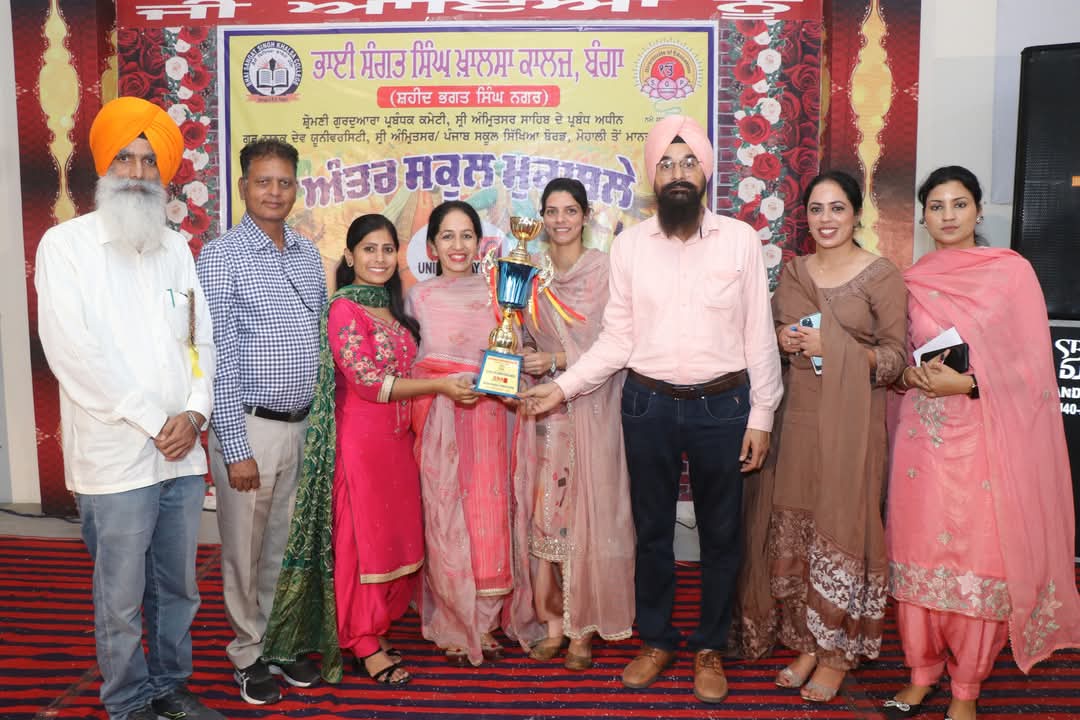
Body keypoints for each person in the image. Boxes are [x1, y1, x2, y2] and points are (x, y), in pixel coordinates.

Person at [521, 116, 783, 704]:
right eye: (666, 164)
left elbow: (759, 336)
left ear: (705, 172)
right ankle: (657, 640)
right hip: (648, 404)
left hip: (724, 405)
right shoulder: (631, 246)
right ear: (652, 176)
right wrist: (563, 388)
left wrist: (762, 416)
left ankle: (710, 645)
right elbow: (617, 341)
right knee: (652, 531)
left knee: (721, 533)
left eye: (688, 163)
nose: (677, 173)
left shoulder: (740, 239)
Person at [35, 96, 223, 720]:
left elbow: (199, 340)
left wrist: (194, 414)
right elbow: (74, 352)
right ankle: (127, 701)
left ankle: (170, 687)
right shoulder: (66, 246)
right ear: (103, 165)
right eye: (125, 158)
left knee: (178, 588)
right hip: (116, 454)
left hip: (181, 454)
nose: (138, 172)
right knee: (120, 597)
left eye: (148, 161)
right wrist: (153, 420)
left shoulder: (176, 249)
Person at [884, 166, 1080, 720]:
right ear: (923, 217)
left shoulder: (1010, 274)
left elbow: (1031, 367)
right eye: (936, 206)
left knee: (978, 556)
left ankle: (966, 688)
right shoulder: (910, 279)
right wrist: (909, 375)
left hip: (988, 438)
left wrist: (970, 384)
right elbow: (896, 356)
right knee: (918, 553)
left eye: (959, 204)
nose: (948, 215)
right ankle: (921, 673)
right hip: (922, 439)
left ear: (977, 210)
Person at [260, 214, 479, 685]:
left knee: (393, 540)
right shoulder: (344, 309)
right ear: (349, 256)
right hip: (360, 444)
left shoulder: (391, 309)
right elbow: (368, 383)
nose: (379, 259)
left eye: (387, 249)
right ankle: (360, 640)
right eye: (369, 249)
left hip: (398, 444)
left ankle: (374, 628)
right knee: (363, 545)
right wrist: (440, 386)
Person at [731, 171, 907, 702]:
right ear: (804, 217)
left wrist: (834, 345)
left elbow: (896, 361)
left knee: (842, 525)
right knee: (797, 525)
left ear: (857, 214)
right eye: (816, 209)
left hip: (852, 425)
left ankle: (836, 654)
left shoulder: (881, 275)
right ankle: (807, 642)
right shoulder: (793, 272)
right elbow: (767, 338)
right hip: (798, 417)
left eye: (837, 208)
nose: (825, 219)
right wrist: (783, 339)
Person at [196, 139, 326, 704]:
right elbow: (215, 355)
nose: (275, 192)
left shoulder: (306, 254)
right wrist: (234, 445)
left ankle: (278, 641)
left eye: (284, 182)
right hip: (249, 428)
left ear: (296, 187)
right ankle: (247, 653)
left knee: (282, 546)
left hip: (300, 426)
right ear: (243, 186)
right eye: (263, 181)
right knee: (243, 552)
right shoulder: (221, 257)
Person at [407, 200, 544, 667]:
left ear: (480, 243)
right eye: (447, 236)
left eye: (467, 235)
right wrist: (444, 382)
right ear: (431, 246)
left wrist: (511, 379)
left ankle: (484, 621)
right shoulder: (417, 298)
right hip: (440, 419)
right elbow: (413, 365)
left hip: (490, 420)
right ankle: (451, 619)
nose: (458, 245)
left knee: (489, 512)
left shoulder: (499, 294)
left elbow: (516, 354)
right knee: (445, 514)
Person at [518, 178, 634, 670]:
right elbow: (521, 335)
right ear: (541, 217)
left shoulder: (605, 271)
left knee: (590, 512)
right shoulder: (530, 273)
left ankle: (583, 628)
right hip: (544, 413)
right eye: (552, 211)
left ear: (586, 216)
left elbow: (621, 341)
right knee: (547, 515)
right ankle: (551, 622)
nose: (560, 220)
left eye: (570, 210)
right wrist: (521, 353)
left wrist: (558, 359)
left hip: (595, 405)